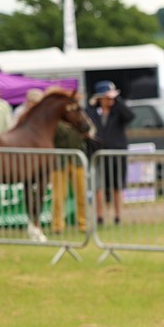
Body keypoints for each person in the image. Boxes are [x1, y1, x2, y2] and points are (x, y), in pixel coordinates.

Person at [85, 80, 134, 226]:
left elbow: (130, 116)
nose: (110, 100)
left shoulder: (118, 111)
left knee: (117, 185)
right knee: (98, 185)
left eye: (112, 97)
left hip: (117, 152)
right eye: (107, 97)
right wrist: (93, 104)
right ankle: (100, 216)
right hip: (98, 153)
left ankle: (118, 216)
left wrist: (117, 100)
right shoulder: (93, 112)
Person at [51, 91, 90, 236]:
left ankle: (83, 224)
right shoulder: (56, 119)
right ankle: (57, 226)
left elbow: (90, 129)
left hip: (77, 159)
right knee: (59, 196)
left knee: (81, 193)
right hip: (59, 161)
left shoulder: (80, 116)